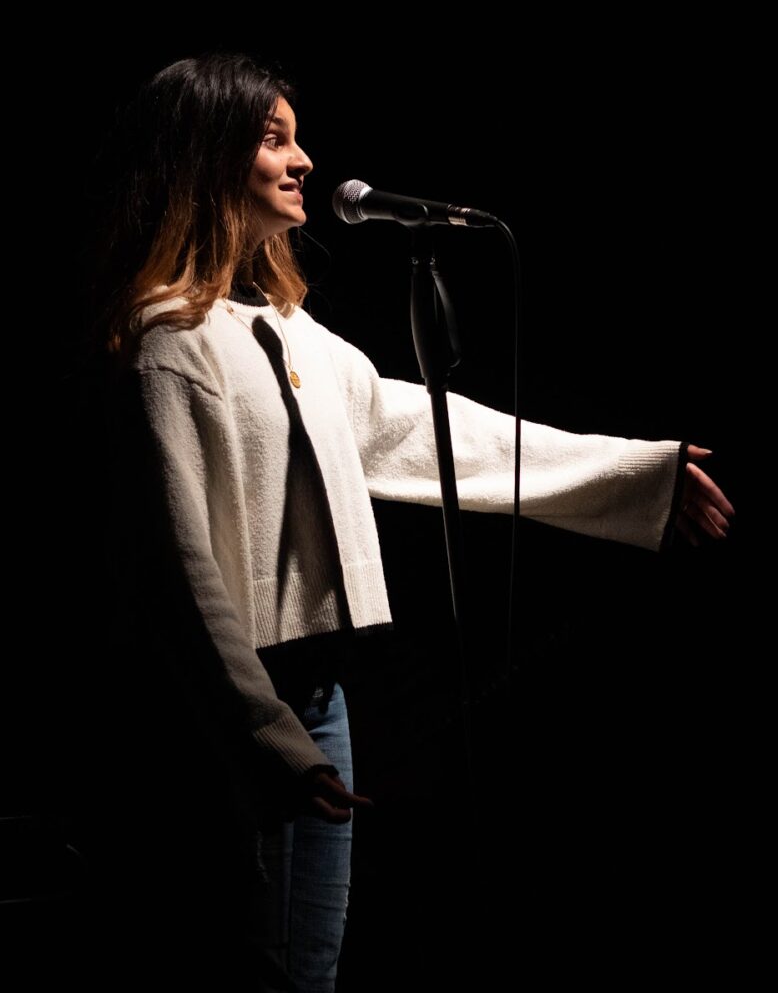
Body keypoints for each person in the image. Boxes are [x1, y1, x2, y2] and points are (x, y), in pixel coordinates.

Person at [81, 52, 734, 993]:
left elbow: (434, 434)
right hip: (229, 707)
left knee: (311, 966)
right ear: (206, 157)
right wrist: (261, 736)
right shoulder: (168, 346)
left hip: (319, 699)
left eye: (298, 137)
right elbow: (178, 571)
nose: (303, 160)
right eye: (274, 139)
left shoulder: (299, 339)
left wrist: (638, 474)